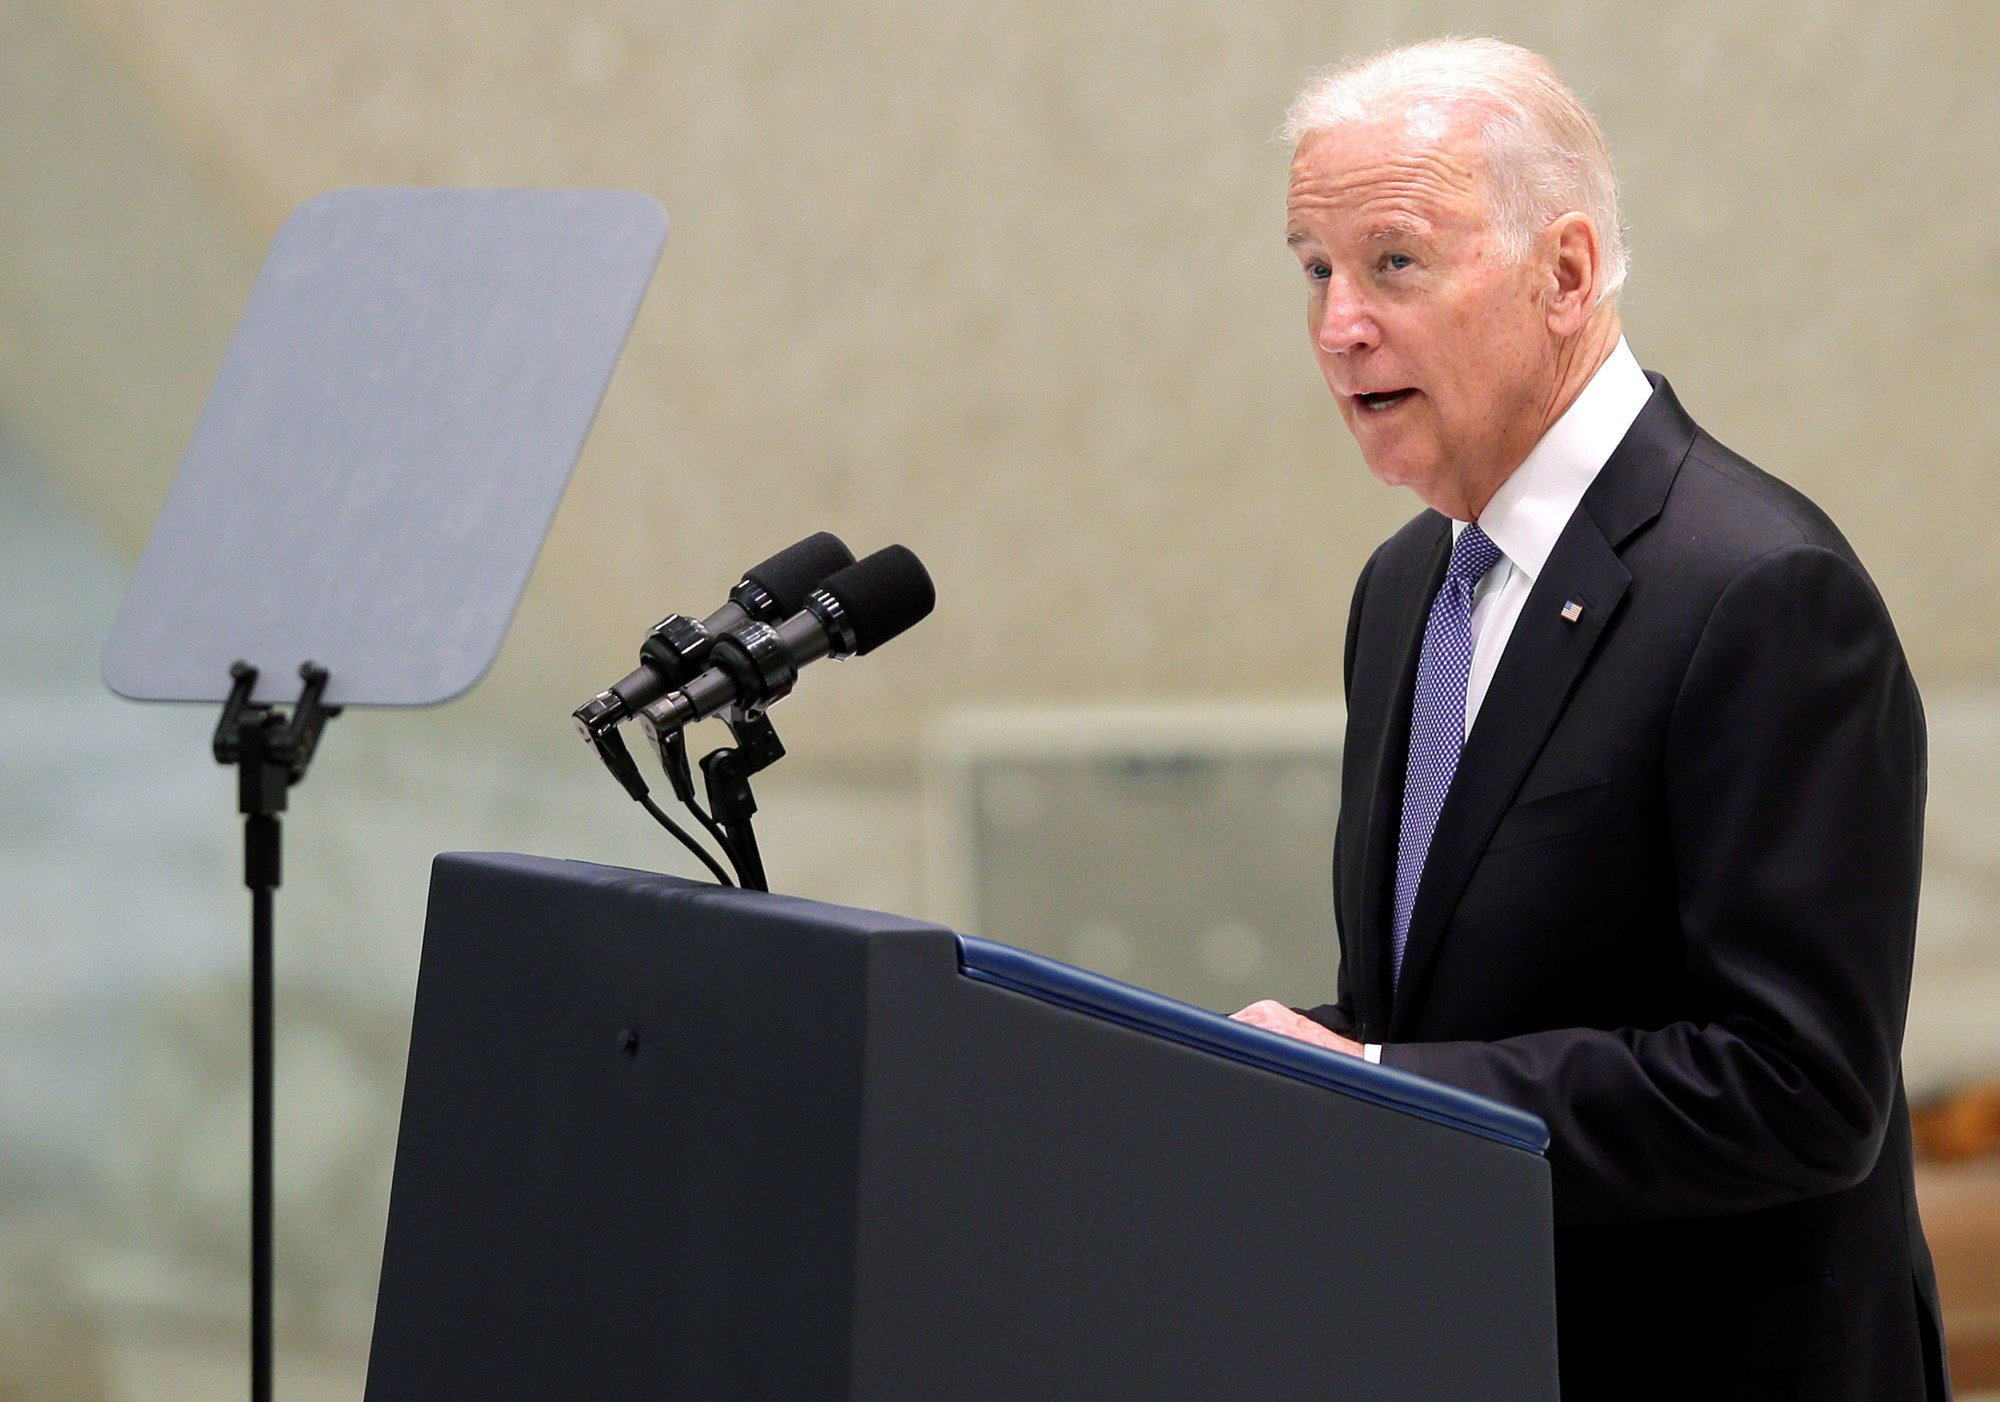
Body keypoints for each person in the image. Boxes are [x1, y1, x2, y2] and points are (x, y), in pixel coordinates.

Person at [1229, 37, 1950, 1400]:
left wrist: (1381, 1082)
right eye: (1314, 269)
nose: (1338, 325)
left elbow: (1800, 1086)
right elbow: (1459, 1002)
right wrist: (1264, 1071)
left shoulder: (1759, 588)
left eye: (1393, 262)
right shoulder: (1406, 588)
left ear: (1564, 273)